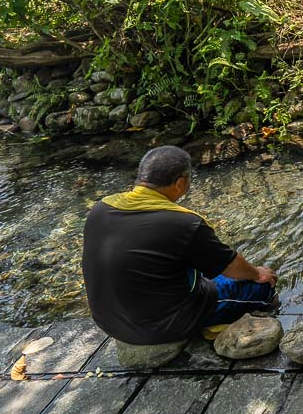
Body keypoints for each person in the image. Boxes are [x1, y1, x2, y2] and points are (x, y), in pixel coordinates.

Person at [82, 145, 278, 344]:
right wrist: (258, 273)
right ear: (181, 183)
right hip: (161, 327)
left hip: (109, 323)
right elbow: (232, 267)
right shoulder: (185, 224)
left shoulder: (102, 208)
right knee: (261, 287)